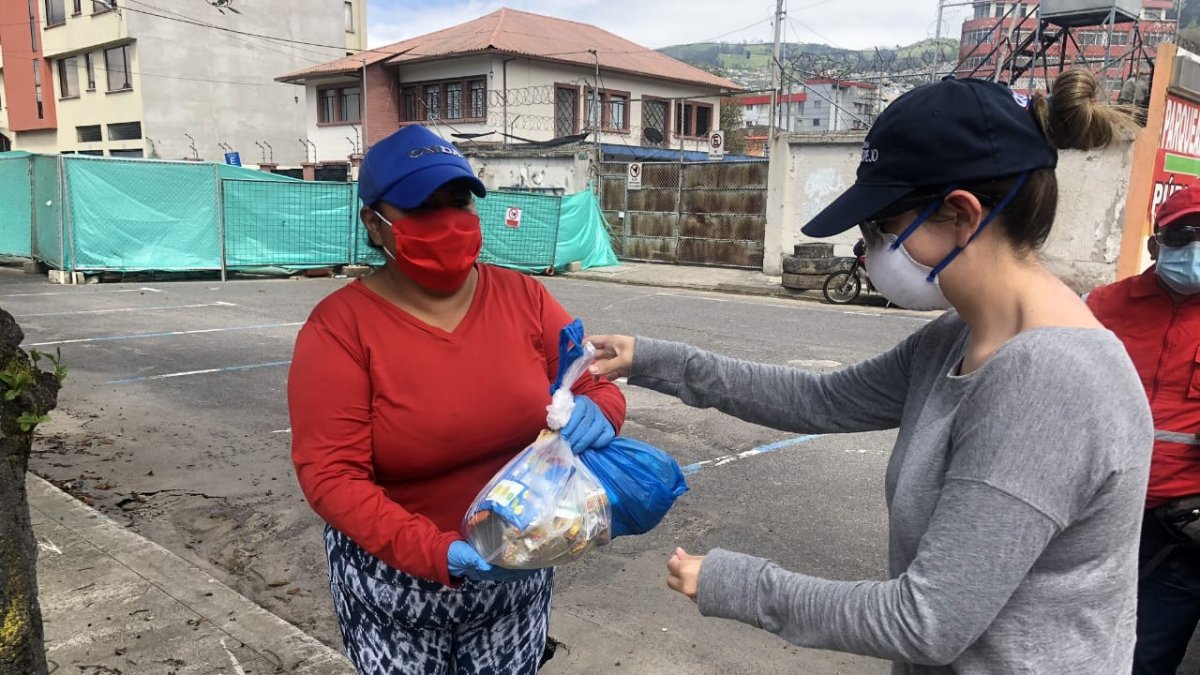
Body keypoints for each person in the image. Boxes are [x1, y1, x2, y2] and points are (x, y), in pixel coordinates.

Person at [589, 70, 1153, 674]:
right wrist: (652, 359)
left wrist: (742, 584)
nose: (870, 250)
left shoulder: (1050, 383)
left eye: (881, 229)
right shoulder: (956, 337)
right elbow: (820, 400)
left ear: (960, 214)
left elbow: (926, 620)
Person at [288, 125, 626, 675]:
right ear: (374, 223)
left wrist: (601, 411)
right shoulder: (339, 329)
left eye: (459, 202)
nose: (448, 221)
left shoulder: (525, 298)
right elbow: (331, 476)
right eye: (423, 208)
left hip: (516, 569)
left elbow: (591, 380)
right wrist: (437, 551)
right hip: (396, 587)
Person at [1087, 185, 1200, 675]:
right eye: (1184, 233)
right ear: (1156, 244)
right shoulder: (1101, 307)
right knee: (1085, 648)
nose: (1195, 247)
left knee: (1148, 657)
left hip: (1184, 525)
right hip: (1103, 512)